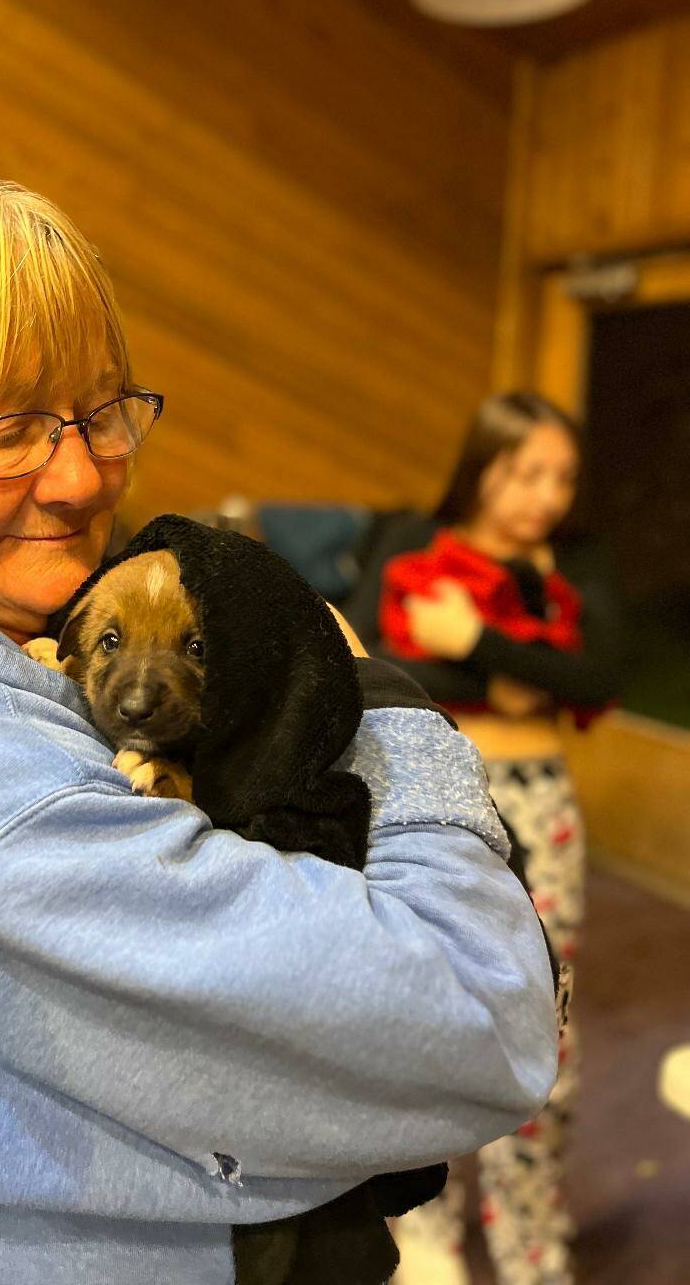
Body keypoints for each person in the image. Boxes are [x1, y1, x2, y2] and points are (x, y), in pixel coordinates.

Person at [0, 162, 558, 1285]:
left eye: (102, 409)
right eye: (5, 428)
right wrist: (382, 699)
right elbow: (484, 1022)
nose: (80, 476)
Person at [345, 391, 624, 1285]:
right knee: (416, 1001)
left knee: (545, 1011)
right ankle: (422, 1230)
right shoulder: (408, 539)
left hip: (540, 800)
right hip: (423, 789)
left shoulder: (574, 560)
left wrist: (474, 641)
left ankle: (532, 1240)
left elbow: (600, 675)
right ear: (482, 464)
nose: (548, 496)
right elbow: (364, 657)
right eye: (527, 471)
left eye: (564, 478)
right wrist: (517, 671)